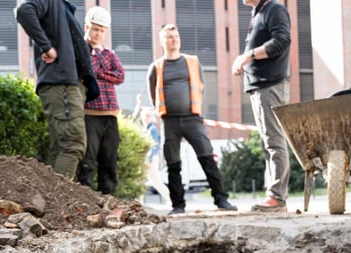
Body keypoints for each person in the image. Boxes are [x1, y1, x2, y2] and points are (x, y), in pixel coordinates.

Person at [147, 24, 236, 215]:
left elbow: (201, 86)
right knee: (173, 165)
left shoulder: (193, 62)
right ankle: (178, 206)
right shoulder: (156, 67)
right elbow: (153, 94)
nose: (174, 40)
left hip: (192, 118)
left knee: (207, 158)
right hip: (169, 121)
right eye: (169, 37)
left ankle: (221, 200)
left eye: (176, 36)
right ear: (162, 41)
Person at [15, 0, 99, 180]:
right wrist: (47, 47)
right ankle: (61, 204)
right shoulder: (52, 2)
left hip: (65, 84)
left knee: (61, 147)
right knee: (72, 144)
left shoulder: (61, 8)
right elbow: (24, 11)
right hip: (62, 84)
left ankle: (52, 204)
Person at [232, 0, 291, 212]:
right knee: (267, 142)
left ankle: (277, 197)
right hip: (259, 87)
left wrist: (249, 54)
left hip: (271, 85)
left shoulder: (274, 9)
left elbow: (282, 41)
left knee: (274, 141)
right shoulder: (257, 13)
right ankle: (273, 195)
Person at [77, 6, 125, 195]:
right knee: (88, 161)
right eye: (95, 29)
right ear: (87, 27)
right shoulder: (80, 50)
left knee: (110, 161)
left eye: (102, 30)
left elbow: (120, 75)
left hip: (110, 114)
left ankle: (109, 200)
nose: (98, 34)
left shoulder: (109, 54)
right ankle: (87, 199)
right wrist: (104, 72)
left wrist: (98, 73)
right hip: (89, 114)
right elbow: (85, 70)